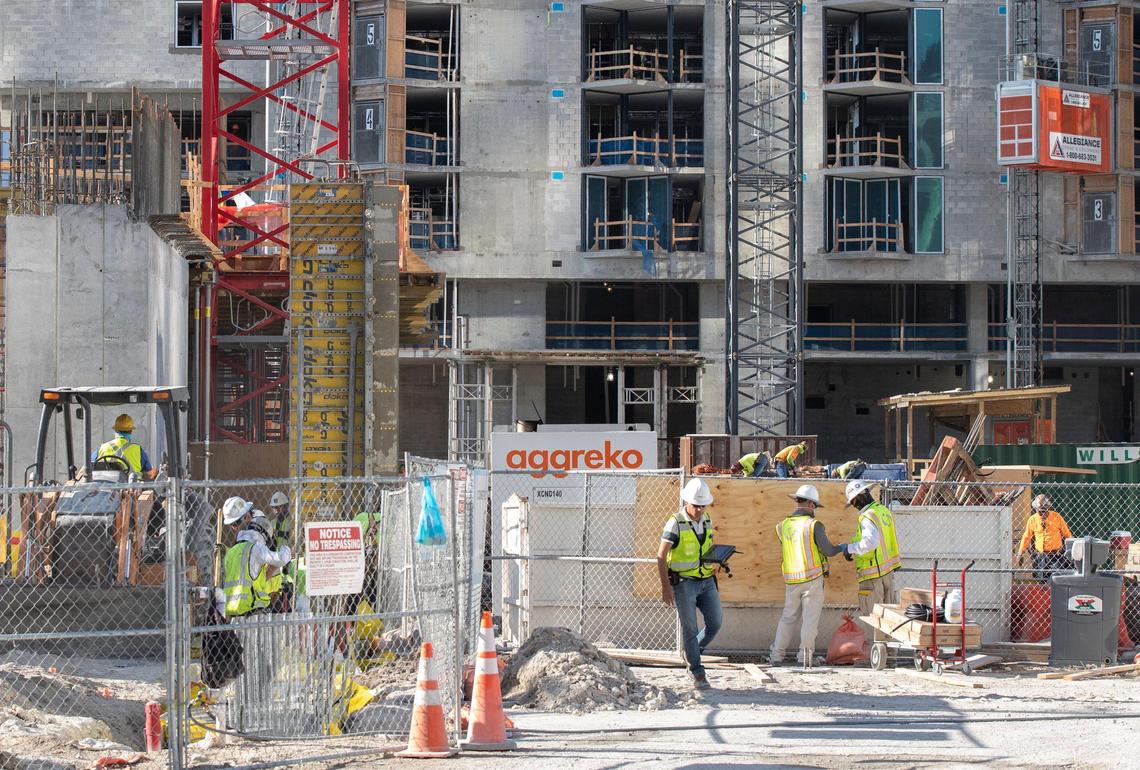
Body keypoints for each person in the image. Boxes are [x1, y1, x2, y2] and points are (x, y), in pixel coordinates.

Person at [657, 478, 722, 690]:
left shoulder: (707, 519)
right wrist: (666, 587)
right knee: (690, 629)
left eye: (703, 506)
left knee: (715, 622)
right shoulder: (675, 522)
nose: (700, 510)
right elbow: (661, 556)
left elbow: (706, 548)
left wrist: (718, 560)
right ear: (687, 502)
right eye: (697, 506)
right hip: (684, 583)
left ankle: (691, 651)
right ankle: (697, 671)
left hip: (706, 581)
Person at [770, 484, 844, 666]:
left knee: (788, 618)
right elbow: (827, 550)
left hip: (791, 579)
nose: (815, 510)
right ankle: (804, 657)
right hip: (812, 579)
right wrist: (842, 548)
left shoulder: (783, 526)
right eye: (816, 506)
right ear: (811, 504)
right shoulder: (813, 525)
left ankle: (776, 656)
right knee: (810, 620)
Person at [840, 480, 903, 645]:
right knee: (889, 615)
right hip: (888, 571)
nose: (854, 506)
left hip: (873, 573)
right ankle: (890, 652)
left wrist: (850, 548)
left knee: (876, 615)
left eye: (853, 502)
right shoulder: (883, 511)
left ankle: (879, 651)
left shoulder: (867, 516)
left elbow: (869, 543)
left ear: (857, 499)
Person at [222, 503, 292, 619]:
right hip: (251, 610)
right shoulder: (256, 549)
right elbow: (281, 558)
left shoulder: (230, 552)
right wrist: (287, 548)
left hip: (231, 611)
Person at [1018, 494, 1073, 580]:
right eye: (1040, 511)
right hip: (1040, 557)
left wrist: (1071, 551)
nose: (1043, 513)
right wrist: (1021, 552)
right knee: (1041, 580)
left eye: (1045, 511)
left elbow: (1067, 535)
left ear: (1048, 509)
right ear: (1036, 510)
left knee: (1056, 580)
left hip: (1056, 557)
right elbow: (1027, 536)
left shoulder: (1056, 517)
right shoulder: (1033, 519)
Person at [92, 414, 156, 479]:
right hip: (131, 487)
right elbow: (148, 474)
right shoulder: (138, 450)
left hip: (106, 486)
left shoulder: (102, 448)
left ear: (116, 430)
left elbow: (89, 466)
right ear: (131, 431)